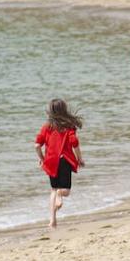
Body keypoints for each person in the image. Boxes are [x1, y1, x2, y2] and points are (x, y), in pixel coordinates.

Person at [35, 98, 84, 229]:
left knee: (53, 189)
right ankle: (59, 195)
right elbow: (75, 144)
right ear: (64, 110)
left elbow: (37, 145)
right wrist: (80, 158)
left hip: (51, 161)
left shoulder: (47, 127)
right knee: (65, 191)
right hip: (64, 160)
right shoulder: (69, 126)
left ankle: (52, 221)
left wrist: (42, 158)